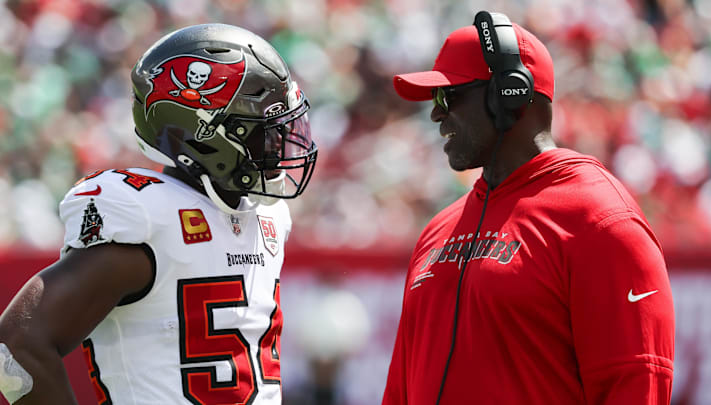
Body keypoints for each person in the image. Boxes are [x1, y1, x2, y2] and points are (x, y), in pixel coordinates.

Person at [0, 23, 317, 405]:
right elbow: (14, 345)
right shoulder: (148, 216)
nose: (278, 145)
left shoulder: (269, 217)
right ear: (203, 133)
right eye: (260, 131)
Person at [382, 10, 674, 405]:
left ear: (510, 93)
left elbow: (635, 386)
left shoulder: (600, 221)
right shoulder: (437, 230)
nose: (435, 113)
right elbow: (400, 389)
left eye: (448, 95)